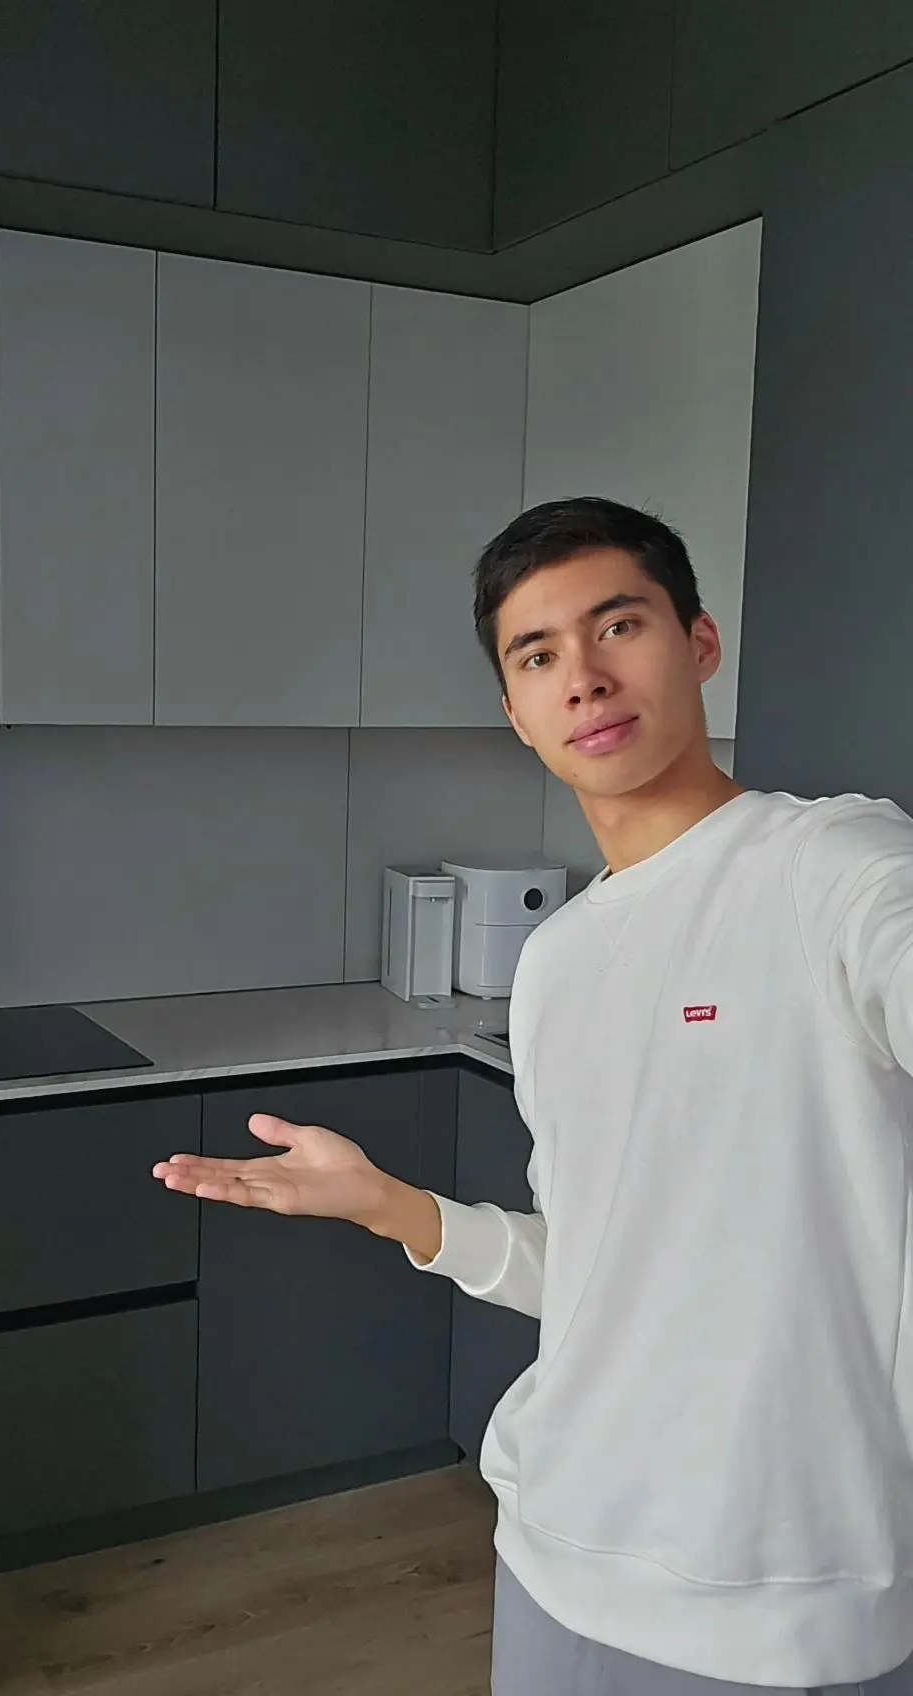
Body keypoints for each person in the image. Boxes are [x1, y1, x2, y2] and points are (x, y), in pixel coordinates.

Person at [152, 496, 913, 1695]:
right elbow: (593, 1270)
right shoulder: (558, 962)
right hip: (551, 1538)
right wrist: (390, 1207)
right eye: (539, 654)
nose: (586, 679)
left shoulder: (834, 869)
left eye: (620, 626)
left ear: (700, 642)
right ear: (514, 710)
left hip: (775, 1601)